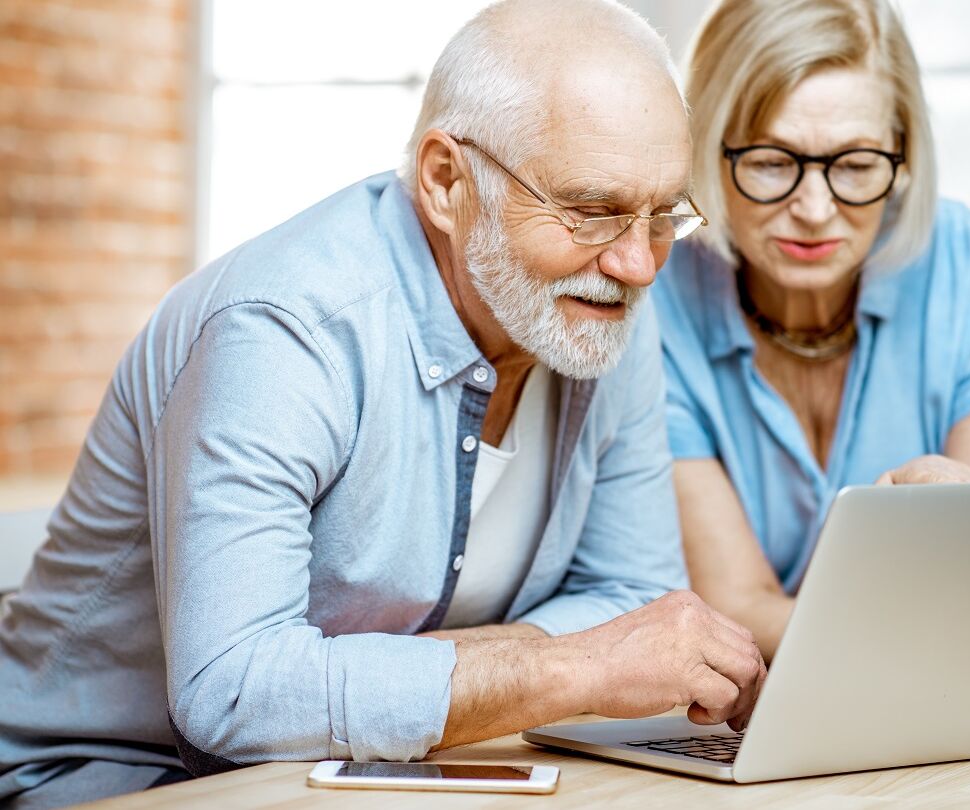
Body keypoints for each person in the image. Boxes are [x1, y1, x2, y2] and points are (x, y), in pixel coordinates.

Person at [0, 2, 765, 806]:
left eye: (663, 213)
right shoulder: (285, 329)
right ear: (445, 180)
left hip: (374, 774)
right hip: (116, 779)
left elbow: (632, 596)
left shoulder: (601, 305)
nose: (640, 263)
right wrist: (573, 666)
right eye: (591, 209)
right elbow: (235, 693)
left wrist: (414, 678)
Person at [653, 0, 970, 731]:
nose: (816, 208)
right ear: (705, 153)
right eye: (770, 162)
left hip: (932, 730)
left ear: (905, 157)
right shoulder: (657, 302)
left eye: (856, 165)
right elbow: (734, 615)